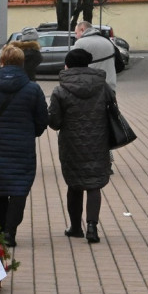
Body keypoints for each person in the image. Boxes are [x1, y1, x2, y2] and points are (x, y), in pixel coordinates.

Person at [0, 45, 48, 247]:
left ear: (2, 62)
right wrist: (32, 132)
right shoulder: (32, 88)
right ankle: (10, 232)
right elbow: (42, 119)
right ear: (22, 63)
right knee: (19, 188)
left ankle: (2, 226)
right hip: (23, 146)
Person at [48, 48, 112, 244]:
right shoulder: (103, 86)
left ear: (67, 65)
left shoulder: (60, 90)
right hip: (98, 140)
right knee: (94, 184)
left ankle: (76, 227)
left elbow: (55, 122)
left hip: (71, 143)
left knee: (74, 185)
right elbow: (111, 109)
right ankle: (92, 226)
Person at [73, 20, 118, 91]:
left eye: (76, 33)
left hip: (91, 88)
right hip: (110, 86)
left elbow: (73, 67)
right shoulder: (107, 42)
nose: (75, 36)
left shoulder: (80, 43)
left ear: (82, 30)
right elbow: (117, 64)